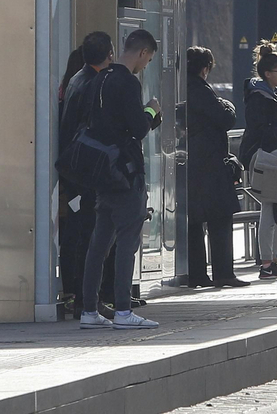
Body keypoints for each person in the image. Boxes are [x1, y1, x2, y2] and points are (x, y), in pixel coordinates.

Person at [80, 29, 163, 329]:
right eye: (149, 59)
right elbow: (138, 128)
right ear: (142, 53)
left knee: (99, 244)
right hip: (126, 171)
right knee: (128, 240)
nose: (146, 65)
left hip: (103, 170)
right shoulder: (128, 82)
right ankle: (124, 311)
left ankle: (89, 310)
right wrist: (152, 110)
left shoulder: (98, 78)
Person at [180, 47, 248, 288]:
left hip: (189, 165)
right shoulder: (199, 89)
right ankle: (223, 273)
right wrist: (227, 105)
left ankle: (197, 274)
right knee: (220, 219)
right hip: (209, 166)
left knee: (194, 222)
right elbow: (226, 118)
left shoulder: (180, 89)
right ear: (205, 68)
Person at [58, 31, 114, 316]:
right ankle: (85, 296)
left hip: (73, 167)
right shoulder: (94, 84)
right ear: (109, 55)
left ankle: (76, 293)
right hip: (86, 169)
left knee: (76, 230)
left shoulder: (75, 81)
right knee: (89, 233)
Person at [239, 41, 277, 280]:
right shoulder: (260, 96)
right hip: (267, 158)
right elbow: (262, 132)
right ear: (268, 73)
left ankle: (273, 260)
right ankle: (267, 263)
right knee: (272, 209)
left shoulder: (274, 94)